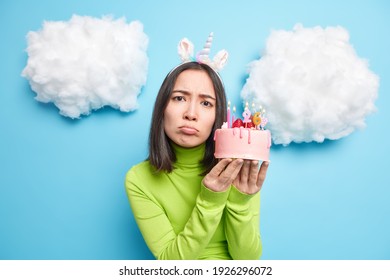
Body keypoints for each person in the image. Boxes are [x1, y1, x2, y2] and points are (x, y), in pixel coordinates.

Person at [125, 60, 269, 260]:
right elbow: (171, 263)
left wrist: (240, 203)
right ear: (162, 107)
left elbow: (248, 261)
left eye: (206, 103)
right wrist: (210, 201)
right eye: (179, 98)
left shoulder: (239, 168)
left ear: (218, 116)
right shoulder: (139, 179)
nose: (191, 114)